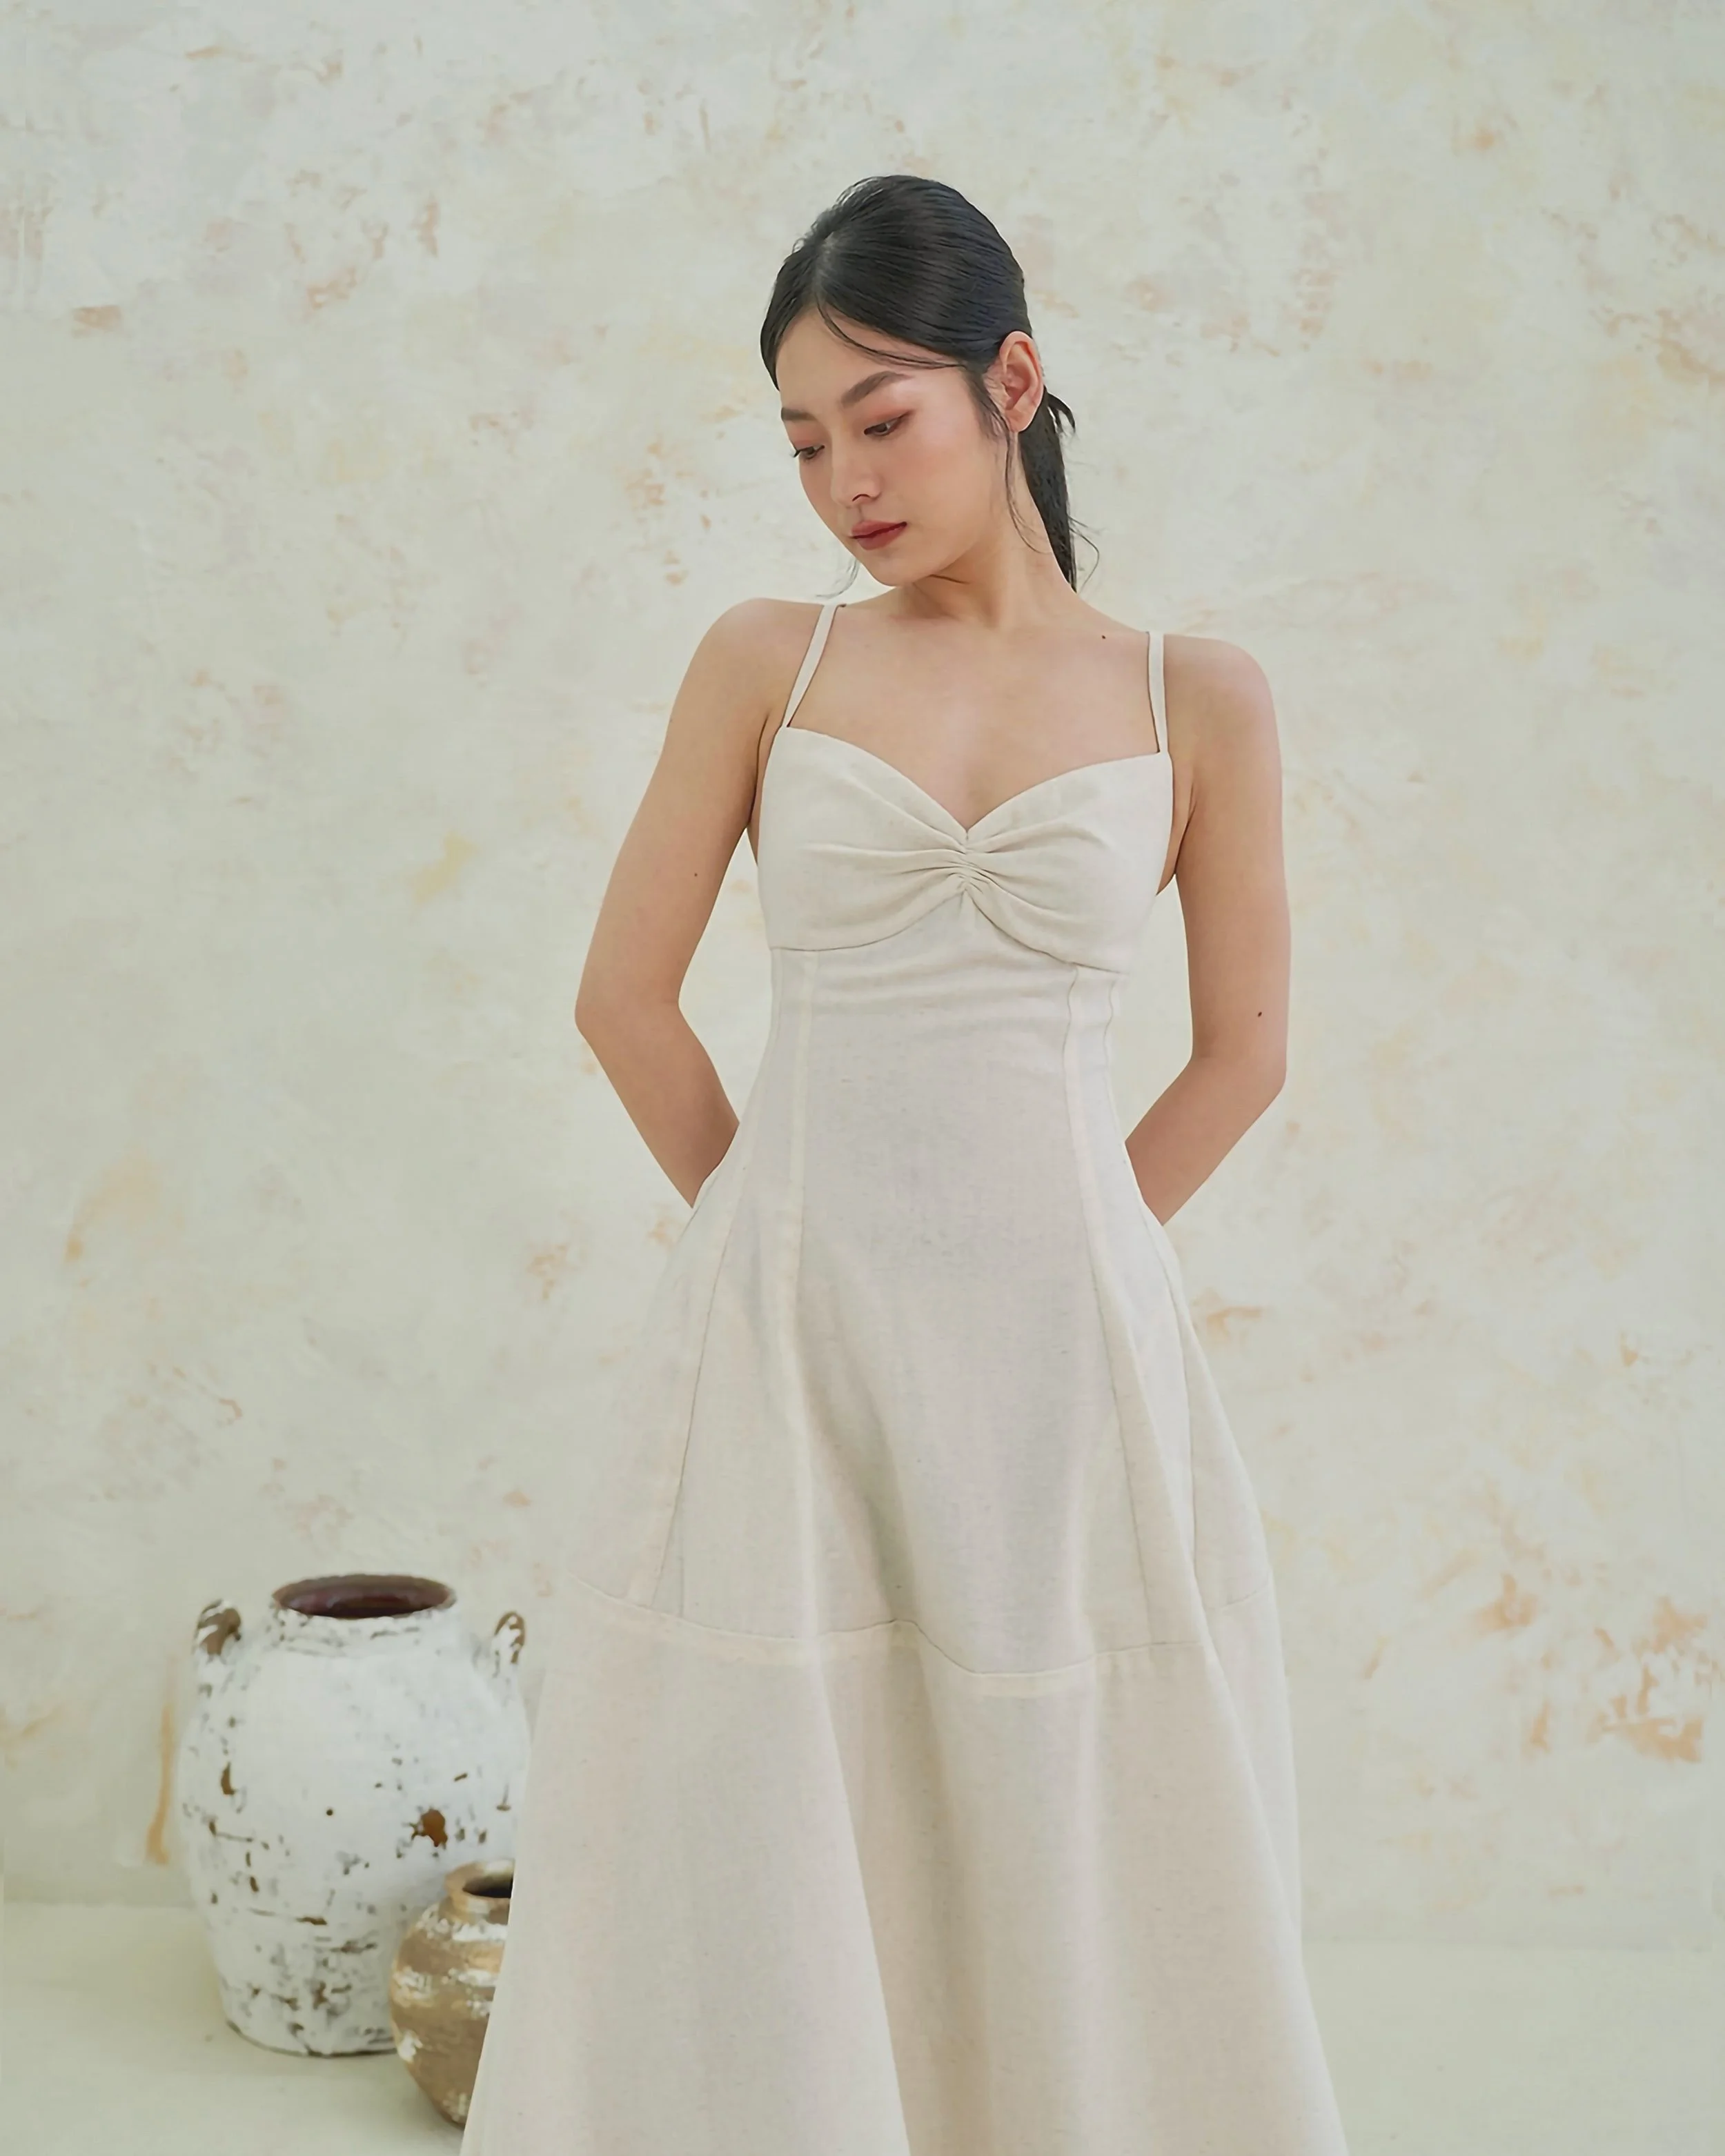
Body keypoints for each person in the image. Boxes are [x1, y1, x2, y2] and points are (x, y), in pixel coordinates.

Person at [461, 173, 1350, 2155]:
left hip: (1067, 1346)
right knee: (773, 1769)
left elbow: (1245, 1051)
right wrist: (766, 1237)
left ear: (1008, 384)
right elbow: (622, 1000)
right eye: (801, 443)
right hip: (789, 1333)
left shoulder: (1193, 696)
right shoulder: (765, 662)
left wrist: (1082, 1249)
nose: (842, 482)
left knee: (1063, 1758)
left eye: (881, 419)